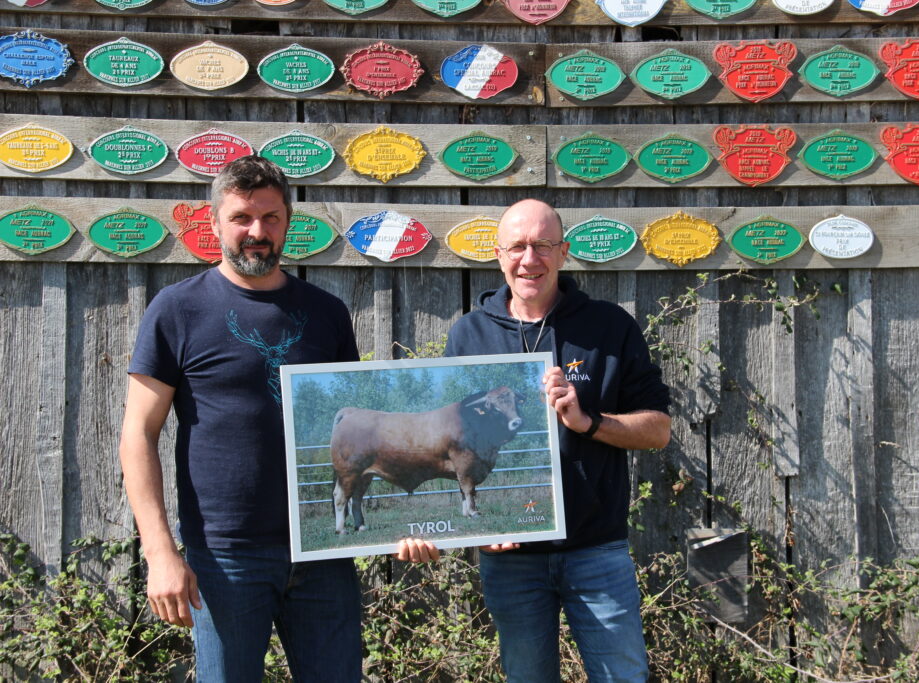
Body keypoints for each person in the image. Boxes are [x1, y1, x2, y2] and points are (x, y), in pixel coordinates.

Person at [118, 155, 439, 682]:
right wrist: (159, 553)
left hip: (323, 549)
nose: (256, 232)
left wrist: (401, 525)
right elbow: (138, 435)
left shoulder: (327, 313)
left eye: (270, 218)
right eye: (242, 217)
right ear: (215, 222)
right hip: (225, 556)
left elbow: (359, 431)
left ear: (288, 222)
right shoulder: (177, 310)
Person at [445, 199, 672, 682]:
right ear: (498, 253)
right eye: (518, 247)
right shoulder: (468, 335)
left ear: (564, 252)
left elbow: (658, 429)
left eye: (544, 245)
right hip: (511, 561)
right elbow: (454, 443)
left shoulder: (609, 327)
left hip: (597, 551)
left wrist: (588, 421)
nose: (530, 259)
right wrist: (475, 532)